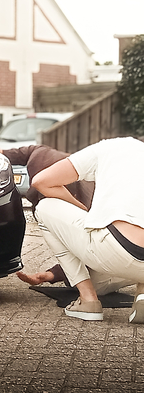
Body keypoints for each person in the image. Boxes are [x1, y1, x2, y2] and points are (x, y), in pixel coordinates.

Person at [0, 136, 134, 296]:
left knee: (93, 284)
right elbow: (23, 153)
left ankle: (99, 293)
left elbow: (85, 255)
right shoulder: (42, 154)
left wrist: (52, 275)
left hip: (119, 252)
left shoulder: (88, 199)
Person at [31, 137, 144, 322]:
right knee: (100, 281)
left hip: (115, 251)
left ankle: (88, 300)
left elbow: (41, 181)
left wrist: (82, 210)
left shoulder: (108, 148)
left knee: (45, 208)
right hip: (130, 260)